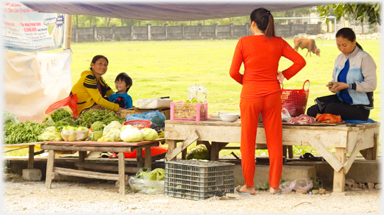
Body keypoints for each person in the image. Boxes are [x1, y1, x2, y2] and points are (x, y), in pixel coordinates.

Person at [229, 8, 306, 195]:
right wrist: (283, 74)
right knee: (275, 141)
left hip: (250, 96)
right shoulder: (278, 42)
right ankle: (274, 186)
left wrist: (247, 83)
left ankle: (249, 186)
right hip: (272, 96)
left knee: (247, 141)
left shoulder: (243, 42)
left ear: (253, 23)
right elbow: (300, 61)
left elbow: (233, 72)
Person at [307, 28, 377, 121]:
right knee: (311, 111)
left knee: (330, 109)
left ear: (354, 42)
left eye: (344, 45)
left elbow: (371, 85)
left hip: (359, 108)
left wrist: (348, 86)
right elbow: (334, 79)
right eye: (338, 45)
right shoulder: (339, 58)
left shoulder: (365, 58)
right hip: (341, 102)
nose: (341, 49)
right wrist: (333, 86)